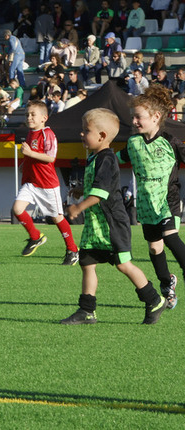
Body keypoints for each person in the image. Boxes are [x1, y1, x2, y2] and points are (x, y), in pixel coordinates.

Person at [60, 109, 167, 325]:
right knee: (87, 262)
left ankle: (154, 300)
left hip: (111, 224)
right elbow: (97, 186)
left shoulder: (106, 158)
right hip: (96, 225)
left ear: (102, 136)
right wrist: (82, 188)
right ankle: (87, 310)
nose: (82, 134)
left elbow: (102, 193)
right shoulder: (95, 157)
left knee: (123, 264)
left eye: (86, 131)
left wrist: (78, 207)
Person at [118, 85, 185, 310]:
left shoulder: (170, 141)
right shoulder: (133, 143)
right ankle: (167, 285)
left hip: (169, 201)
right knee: (155, 249)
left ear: (156, 117)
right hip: (146, 205)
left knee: (170, 235)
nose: (134, 121)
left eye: (139, 117)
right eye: (133, 117)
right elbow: (115, 159)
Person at [12, 101, 80, 265]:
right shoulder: (30, 133)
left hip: (47, 184)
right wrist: (25, 163)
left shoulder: (47, 133)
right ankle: (35, 237)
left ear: (44, 118)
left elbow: (50, 157)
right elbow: (32, 155)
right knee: (17, 209)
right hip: (31, 182)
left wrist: (30, 153)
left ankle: (72, 250)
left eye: (33, 114)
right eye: (27, 114)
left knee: (57, 218)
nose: (29, 117)